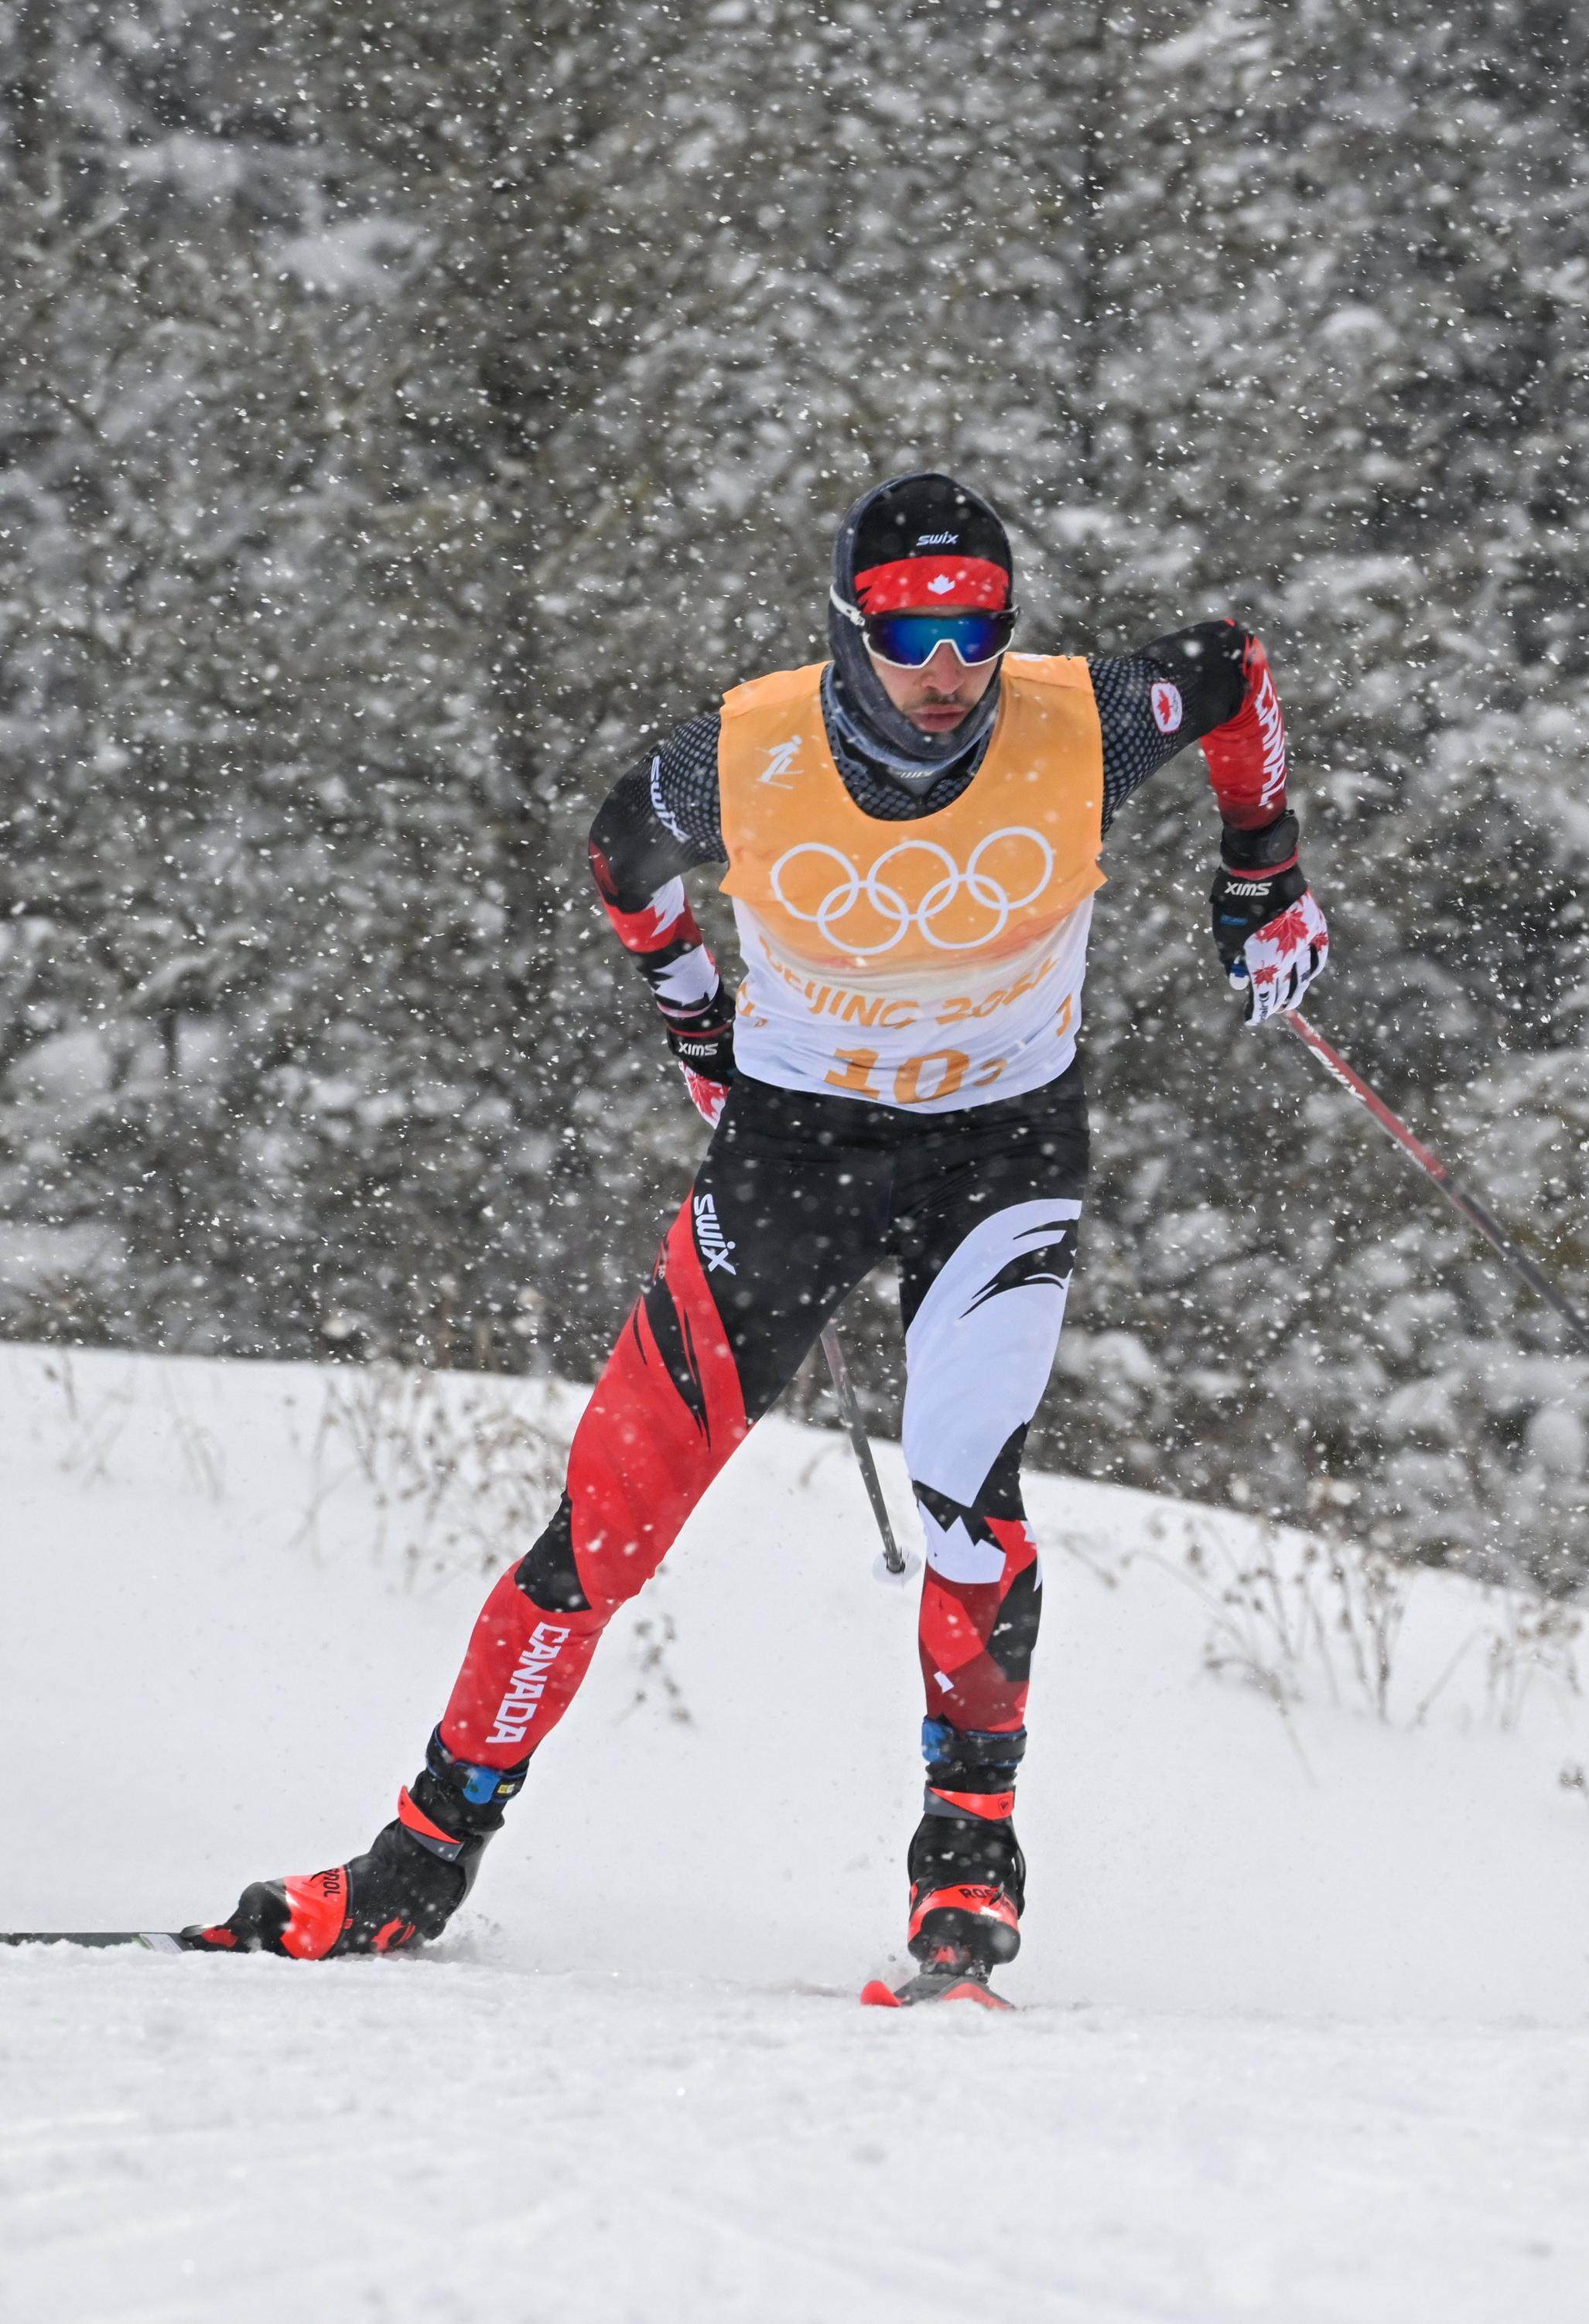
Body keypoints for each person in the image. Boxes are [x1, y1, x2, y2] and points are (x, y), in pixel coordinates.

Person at [195, 473, 1331, 1994]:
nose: (946, 665)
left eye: (977, 625)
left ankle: (965, 1882)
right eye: (910, 629)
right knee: (604, 1524)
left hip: (1000, 1150)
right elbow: (618, 864)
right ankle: (413, 1866)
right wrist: (692, 1020)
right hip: (794, 1157)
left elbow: (1237, 670)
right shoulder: (736, 754)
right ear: (849, 629)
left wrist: (1261, 870)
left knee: (963, 1499)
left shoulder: (1089, 715)